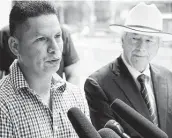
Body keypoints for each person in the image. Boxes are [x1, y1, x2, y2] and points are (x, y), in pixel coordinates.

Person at [0, 1, 88, 137]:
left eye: (58, 36)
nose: (55, 48)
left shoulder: (76, 97)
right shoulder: (3, 106)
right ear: (15, 46)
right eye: (41, 39)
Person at [84, 2, 172, 138]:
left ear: (159, 45)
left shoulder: (168, 77)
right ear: (122, 39)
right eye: (135, 38)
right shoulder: (98, 84)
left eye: (149, 40)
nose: (141, 47)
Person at [0, 17, 80, 86]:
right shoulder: (5, 35)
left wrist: (67, 100)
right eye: (40, 39)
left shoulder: (62, 32)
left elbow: (72, 74)